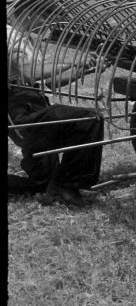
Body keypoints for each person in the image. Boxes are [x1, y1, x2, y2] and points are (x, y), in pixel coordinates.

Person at [7, 21, 103, 206]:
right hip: (18, 112)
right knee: (88, 119)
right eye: (43, 16)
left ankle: (53, 184)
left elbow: (50, 81)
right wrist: (74, 61)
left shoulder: (26, 40)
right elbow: (28, 74)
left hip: (35, 104)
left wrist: (85, 69)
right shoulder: (10, 34)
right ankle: (66, 185)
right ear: (30, 12)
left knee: (40, 183)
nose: (46, 22)